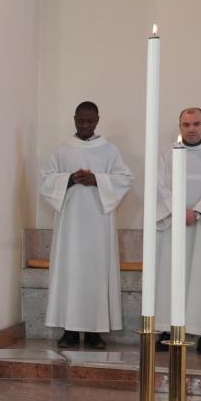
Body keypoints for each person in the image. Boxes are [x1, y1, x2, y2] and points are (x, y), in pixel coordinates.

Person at [39, 102, 133, 349]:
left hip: (99, 224)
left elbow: (125, 178)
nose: (85, 125)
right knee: (70, 273)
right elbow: (44, 180)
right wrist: (69, 179)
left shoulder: (109, 150)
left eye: (90, 121)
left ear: (97, 120)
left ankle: (94, 332)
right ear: (74, 119)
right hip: (70, 225)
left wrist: (97, 179)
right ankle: (69, 331)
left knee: (96, 275)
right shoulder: (62, 150)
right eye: (81, 120)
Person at [154, 108, 201, 356]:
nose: (191, 129)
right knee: (170, 275)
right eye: (186, 125)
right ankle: (168, 330)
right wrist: (177, 212)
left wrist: (196, 212)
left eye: (196, 124)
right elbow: (158, 185)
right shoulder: (167, 155)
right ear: (180, 127)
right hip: (173, 227)